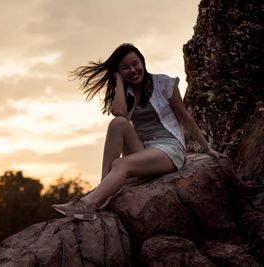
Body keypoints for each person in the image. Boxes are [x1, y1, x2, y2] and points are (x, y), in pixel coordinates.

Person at [52, 43, 228, 221]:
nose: (133, 70)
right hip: (144, 149)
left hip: (169, 149)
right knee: (118, 123)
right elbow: (119, 113)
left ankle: (89, 202)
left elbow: (185, 117)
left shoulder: (164, 83)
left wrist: (206, 148)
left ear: (142, 62)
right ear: (120, 72)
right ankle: (102, 189)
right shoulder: (125, 93)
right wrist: (119, 82)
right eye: (125, 68)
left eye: (135, 63)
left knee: (120, 164)